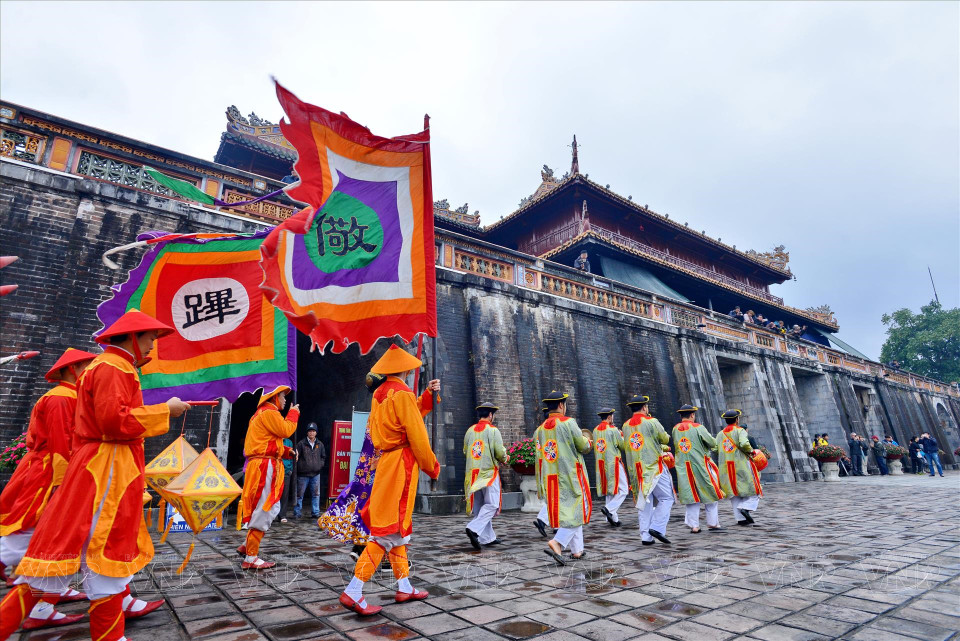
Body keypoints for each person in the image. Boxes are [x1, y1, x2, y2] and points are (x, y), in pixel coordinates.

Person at [0, 310, 188, 641]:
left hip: (100, 466)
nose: (152, 347)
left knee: (63, 560)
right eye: (149, 339)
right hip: (104, 470)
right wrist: (165, 411)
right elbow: (114, 422)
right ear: (133, 338)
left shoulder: (111, 367)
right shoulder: (114, 367)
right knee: (101, 549)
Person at [0, 348, 96, 631]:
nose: (89, 372)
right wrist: (64, 483)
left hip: (53, 468)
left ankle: (45, 598)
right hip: (49, 470)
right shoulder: (61, 398)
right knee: (33, 527)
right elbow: (60, 442)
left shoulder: (69, 396)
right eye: (85, 366)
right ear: (72, 369)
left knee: (49, 534)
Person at [340, 345, 440, 616]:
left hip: (386, 462)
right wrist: (431, 466)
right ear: (405, 369)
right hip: (401, 465)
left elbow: (403, 418)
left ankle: (404, 586)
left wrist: (427, 396)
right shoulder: (403, 393)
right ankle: (354, 590)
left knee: (398, 533)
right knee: (388, 532)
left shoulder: (380, 394)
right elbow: (416, 433)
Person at [318, 373, 438, 560]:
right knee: (388, 512)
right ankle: (378, 555)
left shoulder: (377, 408)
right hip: (388, 466)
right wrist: (430, 466)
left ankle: (363, 548)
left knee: (368, 502)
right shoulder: (390, 403)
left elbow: (410, 412)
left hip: (371, 467)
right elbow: (410, 417)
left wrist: (428, 393)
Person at [237, 385, 299, 570]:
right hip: (265, 467)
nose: (285, 400)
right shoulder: (270, 412)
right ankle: (251, 557)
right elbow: (286, 430)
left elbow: (268, 442)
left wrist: (286, 451)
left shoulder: (260, 414)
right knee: (265, 508)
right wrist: (294, 413)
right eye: (283, 396)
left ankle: (247, 546)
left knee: (266, 507)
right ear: (274, 398)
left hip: (262, 464)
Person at [537, 391, 592, 565]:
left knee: (569, 510)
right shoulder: (568, 422)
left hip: (551, 475)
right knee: (578, 509)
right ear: (561, 405)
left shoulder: (540, 429)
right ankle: (558, 542)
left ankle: (577, 551)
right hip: (570, 474)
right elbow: (583, 446)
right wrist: (588, 441)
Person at [621, 395, 673, 546]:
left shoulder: (625, 426)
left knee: (644, 502)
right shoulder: (652, 421)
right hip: (653, 467)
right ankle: (657, 527)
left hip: (636, 470)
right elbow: (664, 439)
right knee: (666, 497)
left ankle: (646, 536)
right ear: (644, 407)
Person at [672, 404, 724, 533]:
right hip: (700, 465)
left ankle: (694, 526)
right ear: (692, 415)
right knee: (711, 492)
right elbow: (712, 442)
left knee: (691, 496)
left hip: (683, 467)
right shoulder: (698, 427)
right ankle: (712, 523)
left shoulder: (675, 429)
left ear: (681, 415)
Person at [464, 402, 507, 550]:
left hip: (473, 473)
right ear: (490, 415)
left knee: (479, 505)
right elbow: (500, 452)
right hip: (488, 473)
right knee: (492, 504)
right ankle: (473, 528)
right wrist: (505, 458)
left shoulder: (469, 431)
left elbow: (465, 450)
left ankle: (487, 537)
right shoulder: (493, 430)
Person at [715, 410, 762, 526]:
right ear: (737, 420)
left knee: (734, 493)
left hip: (726, 467)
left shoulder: (720, 434)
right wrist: (751, 451)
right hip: (740, 465)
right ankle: (745, 507)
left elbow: (715, 448)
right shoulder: (740, 431)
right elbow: (744, 444)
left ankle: (741, 519)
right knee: (753, 489)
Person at [593, 408, 628, 527]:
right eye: (612, 416)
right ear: (609, 417)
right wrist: (622, 435)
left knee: (610, 491)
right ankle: (609, 509)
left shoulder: (595, 430)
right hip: (614, 463)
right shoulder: (613, 430)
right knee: (624, 489)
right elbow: (623, 446)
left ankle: (613, 518)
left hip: (601, 464)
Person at [295, 423, 326, 519]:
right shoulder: (301, 444)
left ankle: (315, 513)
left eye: (313, 431)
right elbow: (295, 457)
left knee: (316, 494)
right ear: (307, 433)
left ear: (316, 432)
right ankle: (297, 513)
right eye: (310, 431)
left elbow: (323, 457)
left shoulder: (320, 444)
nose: (311, 433)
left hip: (316, 474)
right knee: (299, 495)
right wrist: (300, 466)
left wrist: (319, 465)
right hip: (303, 474)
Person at [534, 405, 552, 538]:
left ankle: (555, 525)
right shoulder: (552, 429)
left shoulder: (538, 430)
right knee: (556, 496)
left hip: (541, 466)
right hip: (551, 465)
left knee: (551, 495)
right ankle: (543, 519)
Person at [277, 436, 295, 523]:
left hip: (286, 470)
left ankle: (282, 515)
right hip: (275, 470)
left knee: (284, 493)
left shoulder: (289, 442)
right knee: (273, 493)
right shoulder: (274, 440)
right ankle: (271, 514)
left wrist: (290, 469)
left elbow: (292, 456)